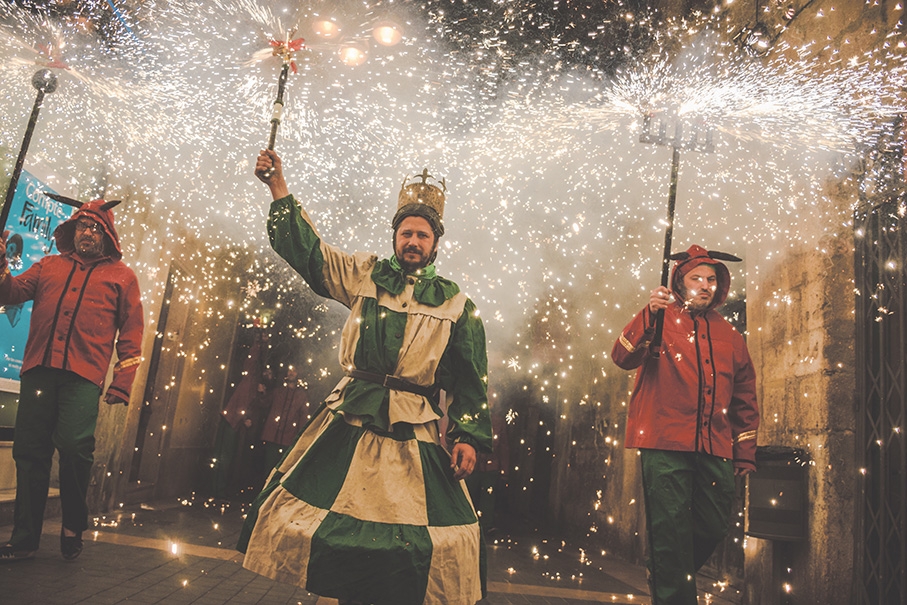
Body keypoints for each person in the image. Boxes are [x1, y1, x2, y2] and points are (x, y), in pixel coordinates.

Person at [238, 150, 492, 605]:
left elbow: (471, 380)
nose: (413, 240)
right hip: (351, 415)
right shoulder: (365, 273)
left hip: (414, 426)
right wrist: (278, 186)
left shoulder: (458, 305)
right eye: (406, 233)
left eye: (422, 234)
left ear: (437, 243)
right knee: (332, 524)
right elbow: (310, 252)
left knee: (418, 538)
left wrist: (468, 436)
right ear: (395, 237)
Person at [610, 244, 759, 605]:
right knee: (671, 531)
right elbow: (622, 356)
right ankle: (673, 588)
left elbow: (744, 397)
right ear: (680, 281)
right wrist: (649, 313)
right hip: (664, 444)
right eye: (696, 278)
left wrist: (744, 453)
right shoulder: (659, 317)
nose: (704, 285)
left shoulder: (731, 336)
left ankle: (665, 567)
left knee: (712, 524)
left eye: (711, 279)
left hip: (716, 447)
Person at [0, 198, 144, 562]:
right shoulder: (48, 264)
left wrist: (121, 382)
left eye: (95, 228)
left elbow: (131, 331)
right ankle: (25, 537)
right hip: (38, 372)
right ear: (72, 230)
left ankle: (72, 525)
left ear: (108, 235)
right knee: (30, 452)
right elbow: (11, 294)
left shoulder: (123, 276)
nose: (88, 233)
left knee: (76, 449)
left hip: (83, 379)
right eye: (82, 226)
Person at [212, 330, 271, 501]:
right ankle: (218, 490)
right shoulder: (250, 378)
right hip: (232, 419)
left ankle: (221, 489)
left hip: (236, 420)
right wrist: (259, 343)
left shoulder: (257, 386)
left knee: (227, 458)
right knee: (224, 457)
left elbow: (258, 403)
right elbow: (252, 361)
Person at [259, 365, 308, 472]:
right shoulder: (278, 391)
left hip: (288, 440)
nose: (291, 373)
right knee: (268, 470)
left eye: (294, 371)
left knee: (282, 472)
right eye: (289, 370)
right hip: (272, 437)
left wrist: (300, 440)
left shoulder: (301, 396)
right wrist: (262, 393)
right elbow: (264, 404)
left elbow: (303, 419)